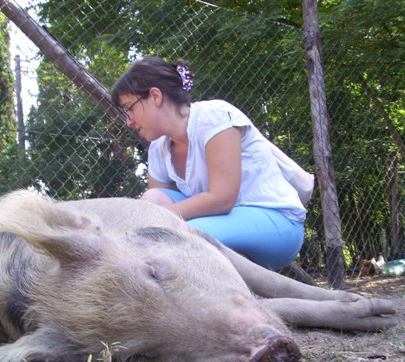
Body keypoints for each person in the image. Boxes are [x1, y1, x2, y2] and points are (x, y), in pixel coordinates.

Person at [111, 56, 312, 270]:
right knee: (153, 199)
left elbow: (221, 199)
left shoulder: (212, 117)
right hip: (221, 222)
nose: (128, 121)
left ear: (155, 96)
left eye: (129, 108)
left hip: (277, 223)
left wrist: (156, 221)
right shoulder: (158, 148)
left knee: (175, 237)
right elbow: (158, 205)